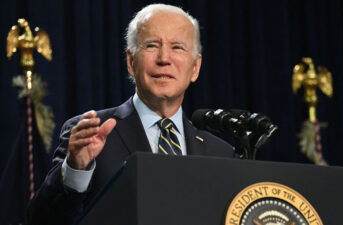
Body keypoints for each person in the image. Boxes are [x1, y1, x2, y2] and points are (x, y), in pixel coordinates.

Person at [27, 3, 233, 225]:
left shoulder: (220, 153)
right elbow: (42, 220)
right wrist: (76, 169)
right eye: (152, 45)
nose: (164, 58)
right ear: (130, 61)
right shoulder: (90, 133)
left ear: (195, 67)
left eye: (177, 47)